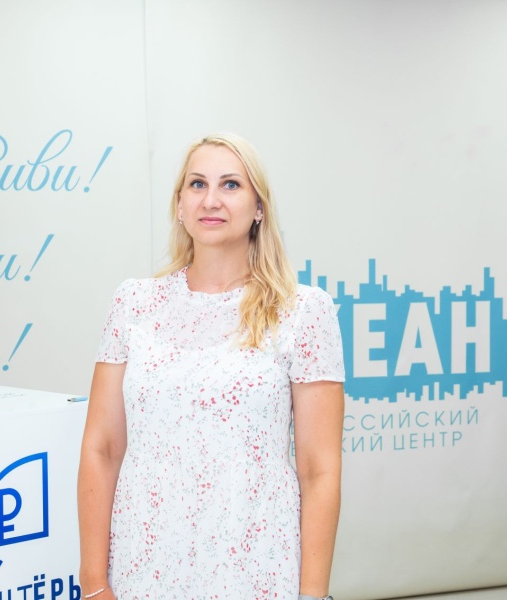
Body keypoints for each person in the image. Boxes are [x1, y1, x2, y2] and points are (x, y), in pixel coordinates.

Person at [77, 133, 345, 600]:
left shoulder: (302, 311)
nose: (211, 200)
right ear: (179, 204)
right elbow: (102, 449)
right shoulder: (134, 303)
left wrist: (312, 595)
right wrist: (94, 584)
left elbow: (318, 469)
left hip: (256, 569)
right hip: (144, 567)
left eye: (231, 184)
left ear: (259, 207)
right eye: (197, 184)